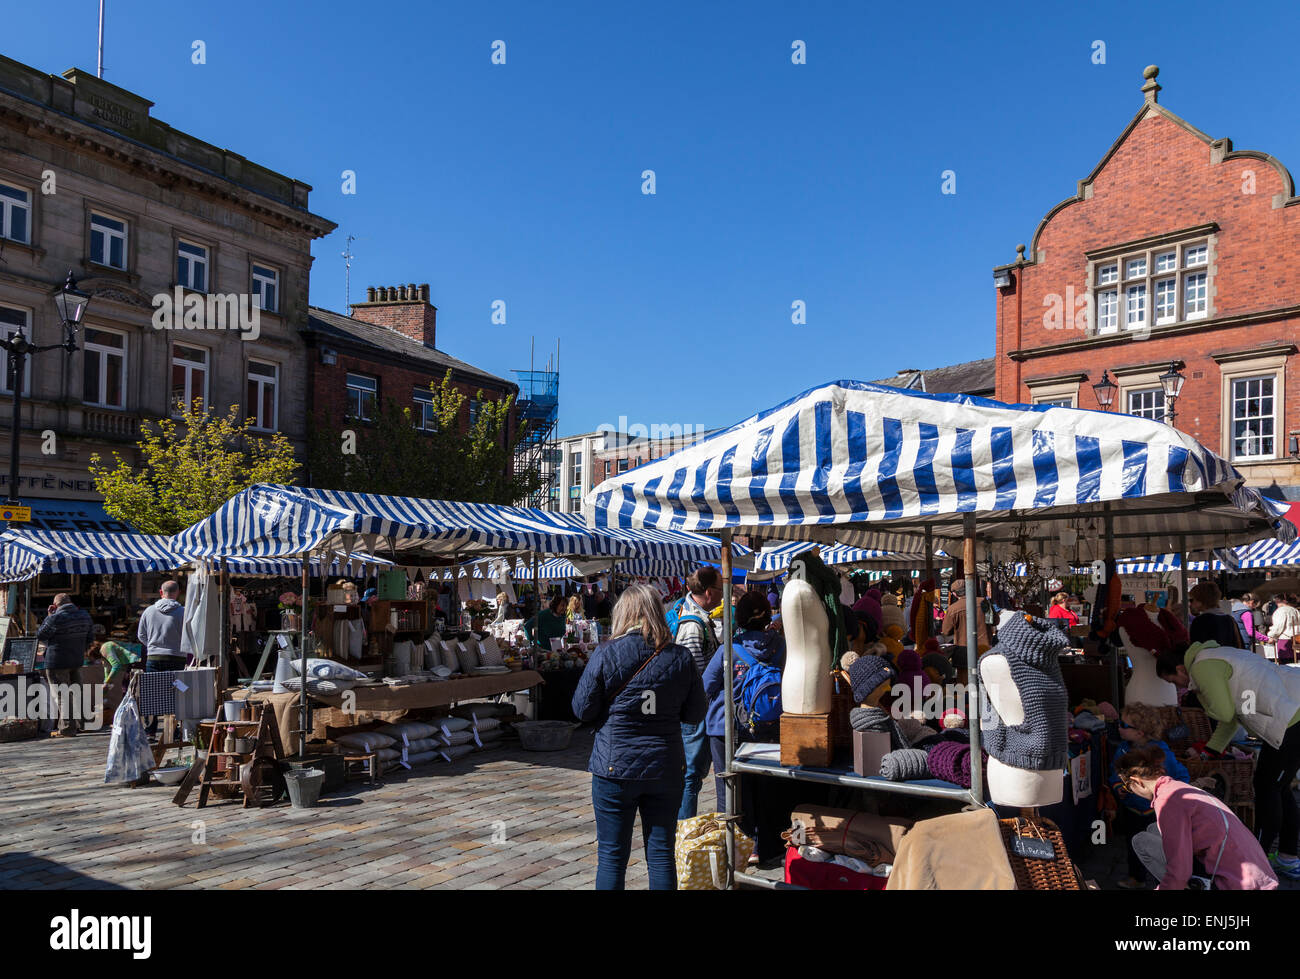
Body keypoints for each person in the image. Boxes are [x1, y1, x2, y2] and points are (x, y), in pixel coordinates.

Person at [572, 584, 706, 890]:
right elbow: (696, 713)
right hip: (664, 765)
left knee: (611, 856)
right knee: (660, 855)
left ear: (624, 614)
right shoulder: (680, 657)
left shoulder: (607, 653)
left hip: (614, 765)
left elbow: (582, 709)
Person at [1157, 640, 1300, 879]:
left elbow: (1222, 711)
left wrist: (1202, 699)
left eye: (1173, 681)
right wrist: (1210, 751)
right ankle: (1287, 857)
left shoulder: (1202, 667)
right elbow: (1231, 718)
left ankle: (1257, 862)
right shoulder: (1215, 656)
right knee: (1279, 788)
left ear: (1180, 669)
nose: (1178, 687)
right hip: (1288, 719)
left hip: (1289, 723)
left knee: (1267, 790)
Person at [1115, 745, 1277, 890]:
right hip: (1258, 875)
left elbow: (1179, 872)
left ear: (1137, 782)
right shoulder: (1179, 788)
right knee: (1153, 829)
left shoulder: (1167, 802)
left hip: (1238, 883)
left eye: (1127, 787)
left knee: (1141, 840)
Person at [702, 591, 786, 866]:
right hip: (769, 724)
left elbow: (707, 684)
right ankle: (766, 845)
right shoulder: (781, 646)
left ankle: (737, 848)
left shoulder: (729, 648)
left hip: (726, 726)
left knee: (730, 788)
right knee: (766, 787)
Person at [1107, 703, 1190, 888]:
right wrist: (1118, 785)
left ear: (1141, 732)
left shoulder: (1161, 753)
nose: (1119, 727)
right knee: (1133, 844)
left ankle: (1168, 880)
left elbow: (1181, 774)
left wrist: (1174, 796)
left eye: (1124, 725)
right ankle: (1137, 878)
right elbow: (1115, 772)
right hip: (1131, 809)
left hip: (1157, 811)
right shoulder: (1122, 749)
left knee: (1163, 847)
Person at [673, 566, 723, 821]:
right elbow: (694, 678)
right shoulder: (693, 625)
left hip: (699, 710)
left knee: (693, 775)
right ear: (707, 592)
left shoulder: (698, 616)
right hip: (695, 712)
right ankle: (684, 832)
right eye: (719, 589)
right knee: (690, 776)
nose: (723, 594)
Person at [36, 594, 95, 738]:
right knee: (78, 692)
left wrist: (49, 615)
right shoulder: (85, 615)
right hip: (76, 659)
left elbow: (41, 635)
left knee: (62, 695)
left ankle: (68, 728)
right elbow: (90, 638)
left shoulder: (56, 618)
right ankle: (85, 724)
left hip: (57, 662)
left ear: (56, 605)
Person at [138, 581, 186, 672]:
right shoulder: (184, 612)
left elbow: (141, 635)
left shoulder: (148, 611)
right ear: (178, 593)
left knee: (153, 686)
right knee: (174, 686)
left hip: (153, 657)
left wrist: (153, 646)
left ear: (161, 592)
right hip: (177, 657)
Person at [1187, 582, 1244, 649]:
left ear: (1200, 600)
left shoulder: (1200, 621)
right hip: (1228, 658)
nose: (1190, 604)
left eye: (1191, 600)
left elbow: (1195, 649)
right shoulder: (1230, 619)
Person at [1267, 593, 1300, 665]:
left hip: (1285, 641)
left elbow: (1278, 626)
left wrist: (1272, 636)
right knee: (1296, 665)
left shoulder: (1281, 611)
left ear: (1284, 601)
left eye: (1277, 602)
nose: (1276, 604)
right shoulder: (1295, 610)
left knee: (1286, 666)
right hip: (1296, 639)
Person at [1233, 592, 1269, 656]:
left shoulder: (1233, 611)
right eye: (1255, 606)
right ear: (1251, 602)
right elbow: (1251, 631)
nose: (1253, 608)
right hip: (1244, 642)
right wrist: (1266, 639)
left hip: (1235, 641)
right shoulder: (1246, 613)